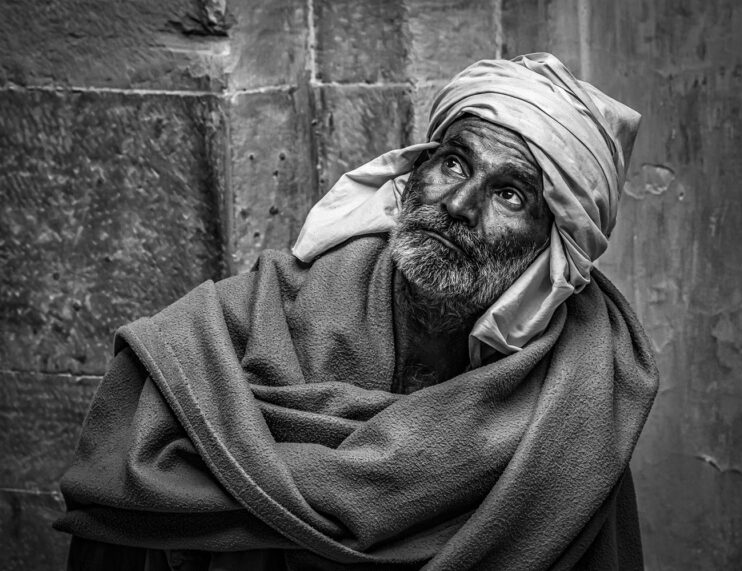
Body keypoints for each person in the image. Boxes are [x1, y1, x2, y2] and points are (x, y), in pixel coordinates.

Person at [55, 53, 659, 570]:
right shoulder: (252, 317)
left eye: (509, 194)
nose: (458, 204)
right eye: (453, 163)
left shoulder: (577, 402)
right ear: (412, 174)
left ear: (552, 249)